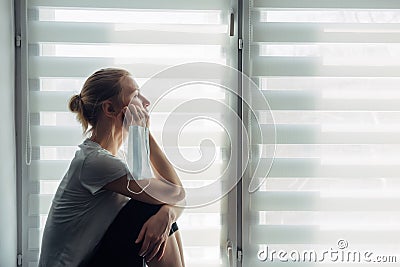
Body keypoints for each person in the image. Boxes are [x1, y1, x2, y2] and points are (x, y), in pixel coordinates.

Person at [38, 68, 186, 267]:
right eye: (135, 95)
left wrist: (167, 213)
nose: (146, 102)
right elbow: (174, 193)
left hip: (95, 258)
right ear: (109, 109)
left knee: (154, 209)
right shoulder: (95, 162)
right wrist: (143, 134)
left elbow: (173, 196)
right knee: (148, 208)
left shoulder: (116, 159)